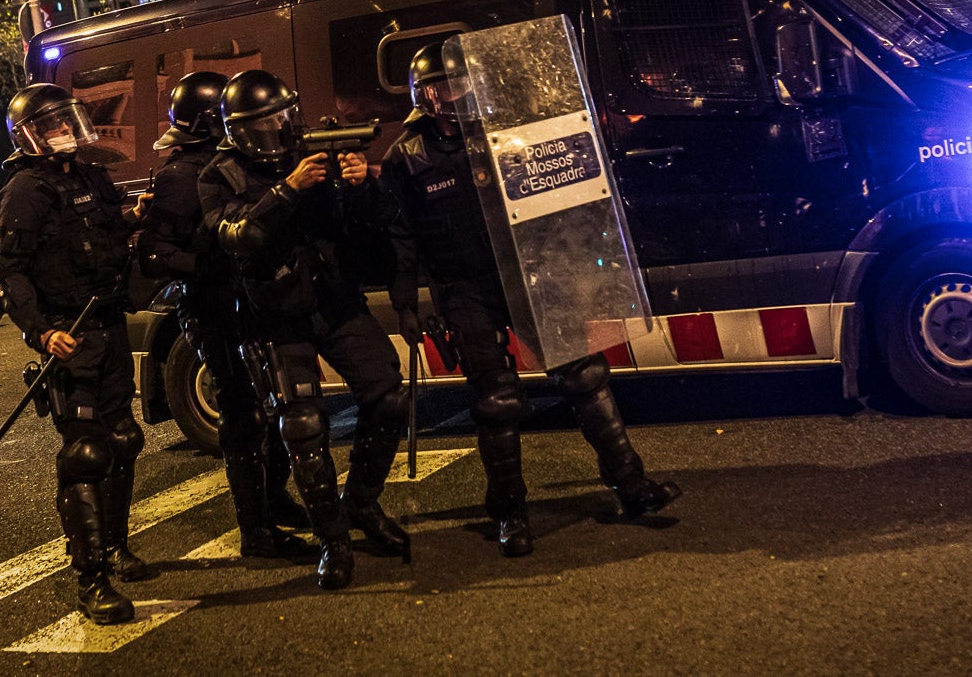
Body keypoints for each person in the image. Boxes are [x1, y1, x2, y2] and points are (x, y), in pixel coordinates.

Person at [381, 43, 679, 558]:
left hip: (531, 275)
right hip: (466, 289)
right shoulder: (406, 157)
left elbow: (558, 191)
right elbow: (400, 237)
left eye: (459, 84)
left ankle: (631, 485)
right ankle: (509, 512)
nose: (453, 95)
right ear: (423, 95)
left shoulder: (507, 136)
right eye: (442, 87)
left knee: (584, 376)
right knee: (496, 403)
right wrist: (406, 304)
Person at [199, 70, 409, 591]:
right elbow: (239, 236)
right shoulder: (219, 175)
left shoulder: (316, 151)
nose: (283, 128)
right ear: (243, 130)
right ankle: (332, 540)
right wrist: (288, 190)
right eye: (270, 122)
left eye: (286, 116)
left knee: (385, 393)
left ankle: (360, 503)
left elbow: (379, 218)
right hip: (276, 314)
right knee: (303, 426)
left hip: (336, 300)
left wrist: (362, 184)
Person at [0, 83, 152, 625]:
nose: (64, 130)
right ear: (30, 135)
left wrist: (137, 214)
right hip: (70, 335)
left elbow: (109, 227)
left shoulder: (87, 175)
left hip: (107, 328)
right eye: (53, 123)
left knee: (124, 439)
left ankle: (116, 547)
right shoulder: (25, 191)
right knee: (86, 455)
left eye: (67, 120)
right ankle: (91, 580)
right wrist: (40, 333)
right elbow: (10, 273)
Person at [136, 71, 310, 559]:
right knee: (241, 413)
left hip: (253, 300)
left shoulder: (236, 163)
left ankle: (274, 501)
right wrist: (211, 261)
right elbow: (154, 253)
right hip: (212, 306)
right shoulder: (180, 175)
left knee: (276, 404)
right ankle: (254, 528)